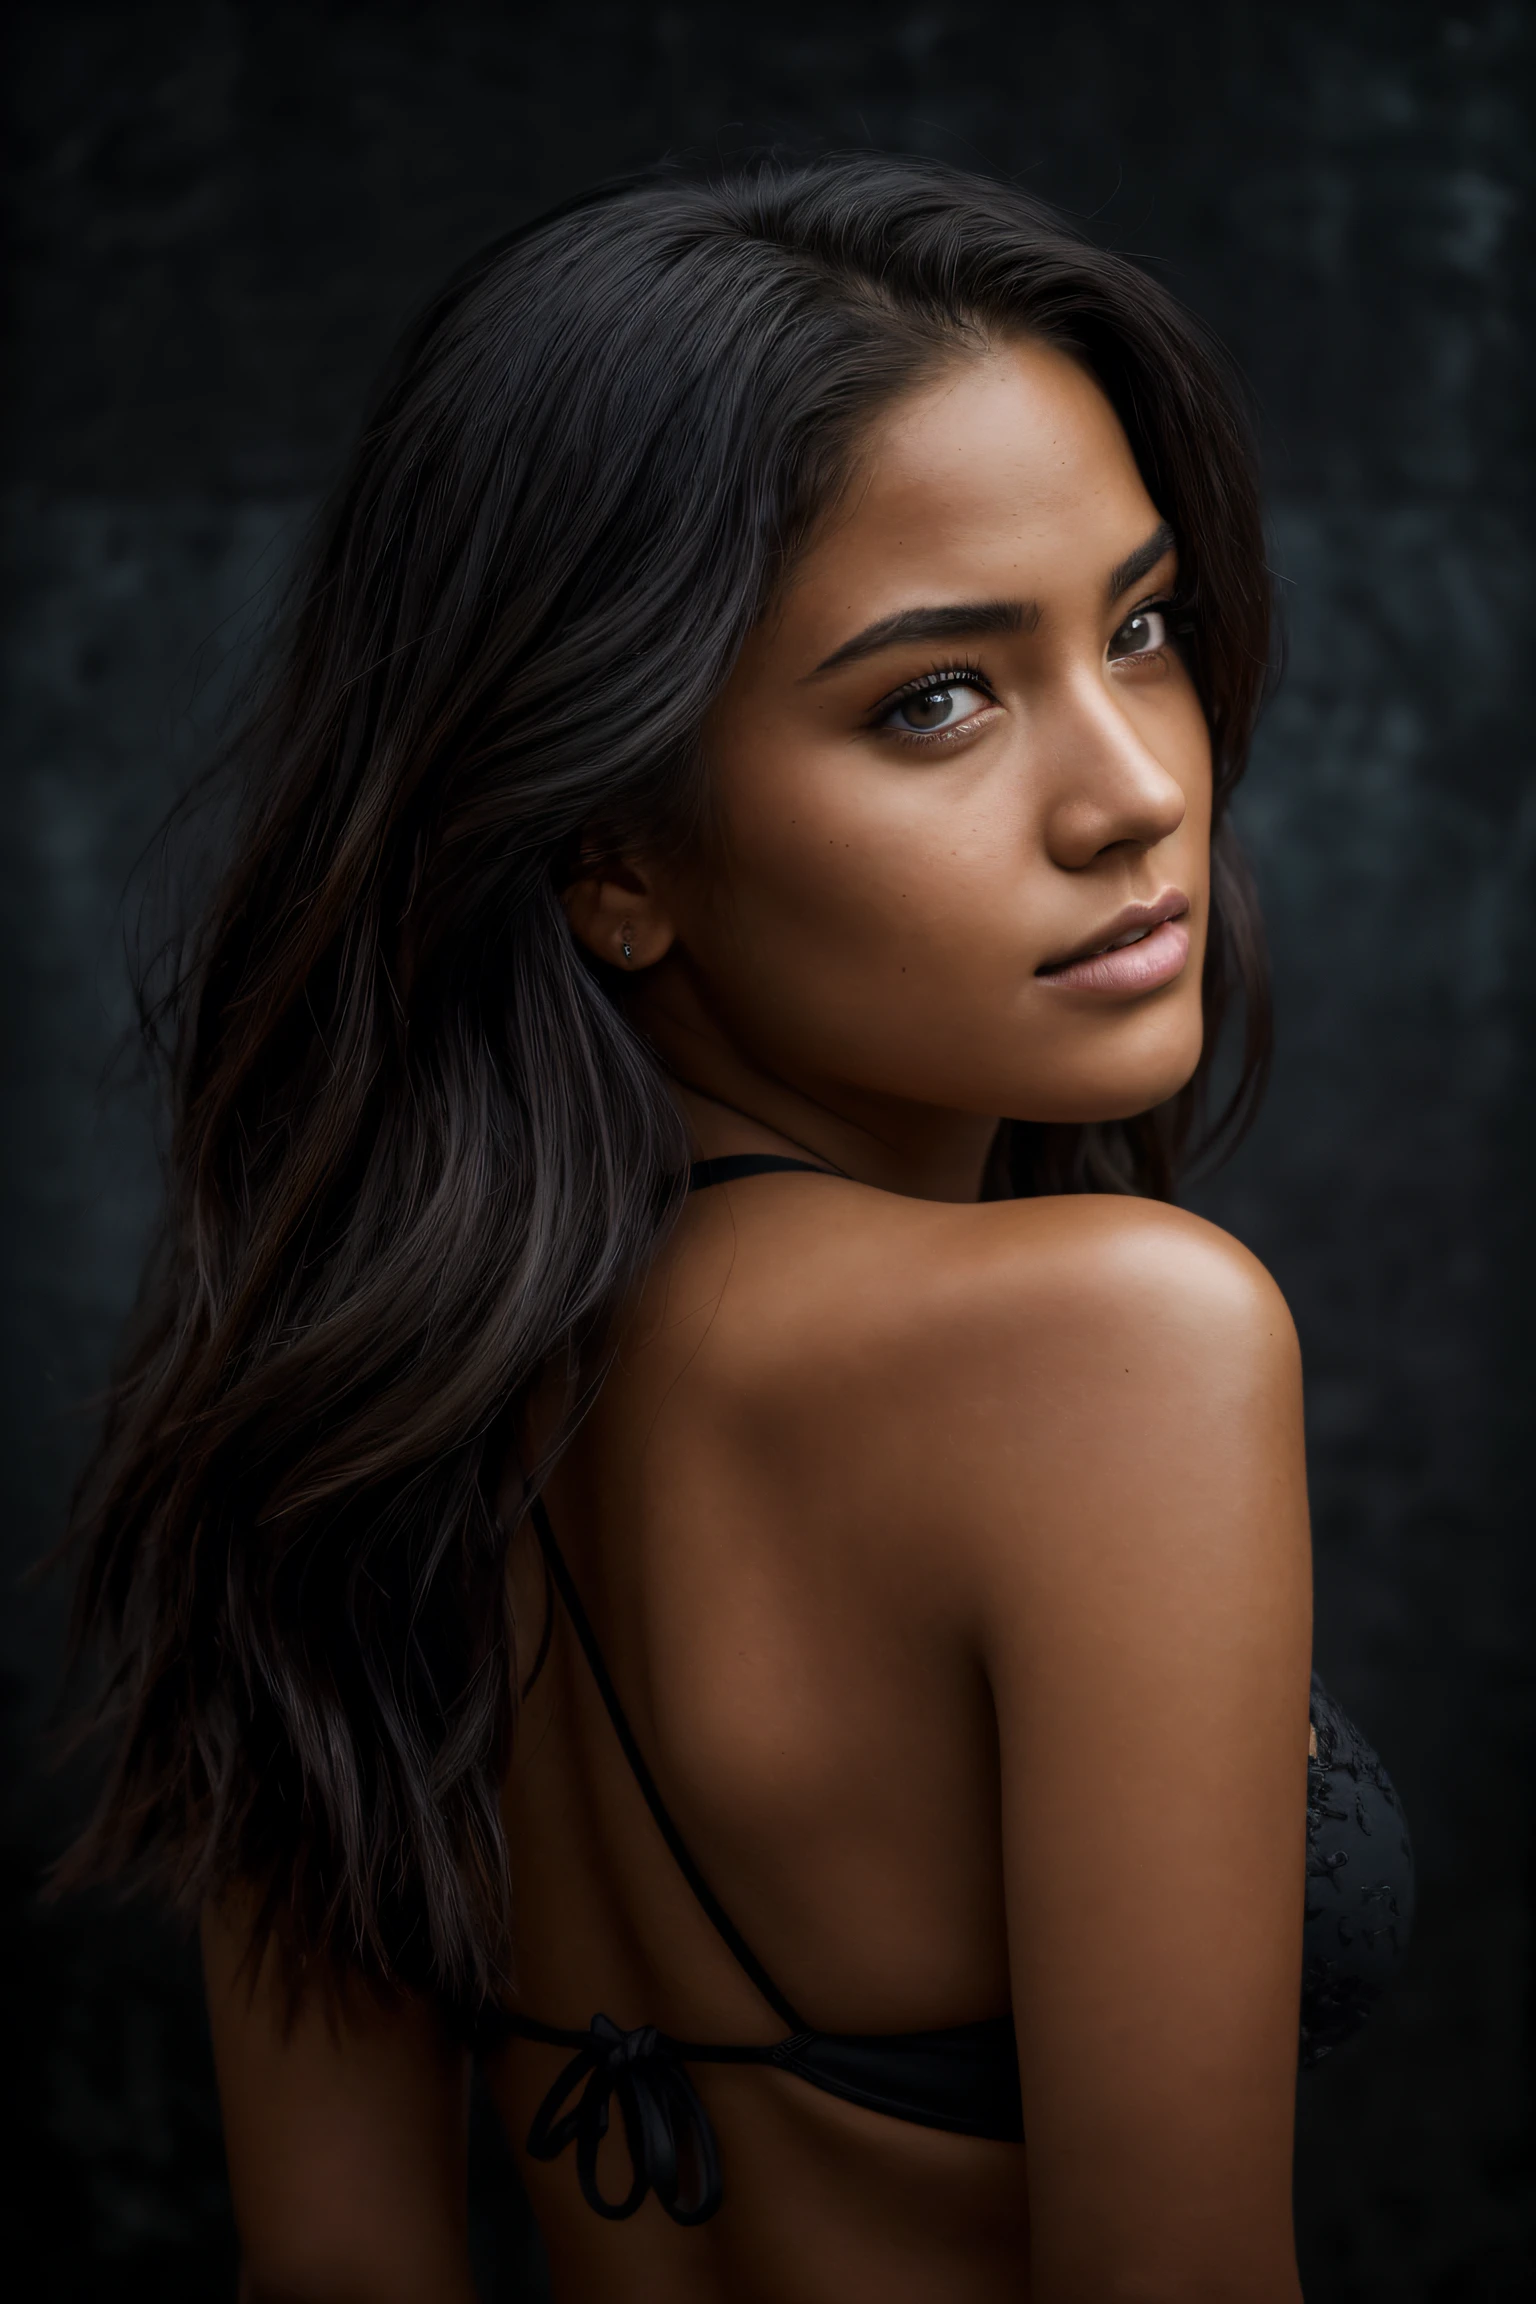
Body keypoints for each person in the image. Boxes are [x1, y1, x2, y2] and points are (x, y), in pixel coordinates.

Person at [61, 155, 1412, 2303]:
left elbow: (331, 2270)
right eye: (936, 699)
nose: (1134, 788)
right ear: (612, 852)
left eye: (1138, 629)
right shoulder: (1121, 1343)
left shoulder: (337, 1409)